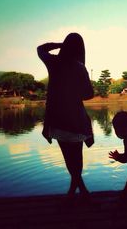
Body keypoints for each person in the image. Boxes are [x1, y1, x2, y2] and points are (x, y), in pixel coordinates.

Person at [37, 33, 94, 200]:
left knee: (69, 159)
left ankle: (77, 192)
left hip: (57, 121)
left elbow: (40, 49)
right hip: (76, 121)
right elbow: (88, 95)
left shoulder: (53, 63)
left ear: (65, 46)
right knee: (77, 158)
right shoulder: (79, 67)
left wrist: (60, 45)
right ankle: (80, 192)